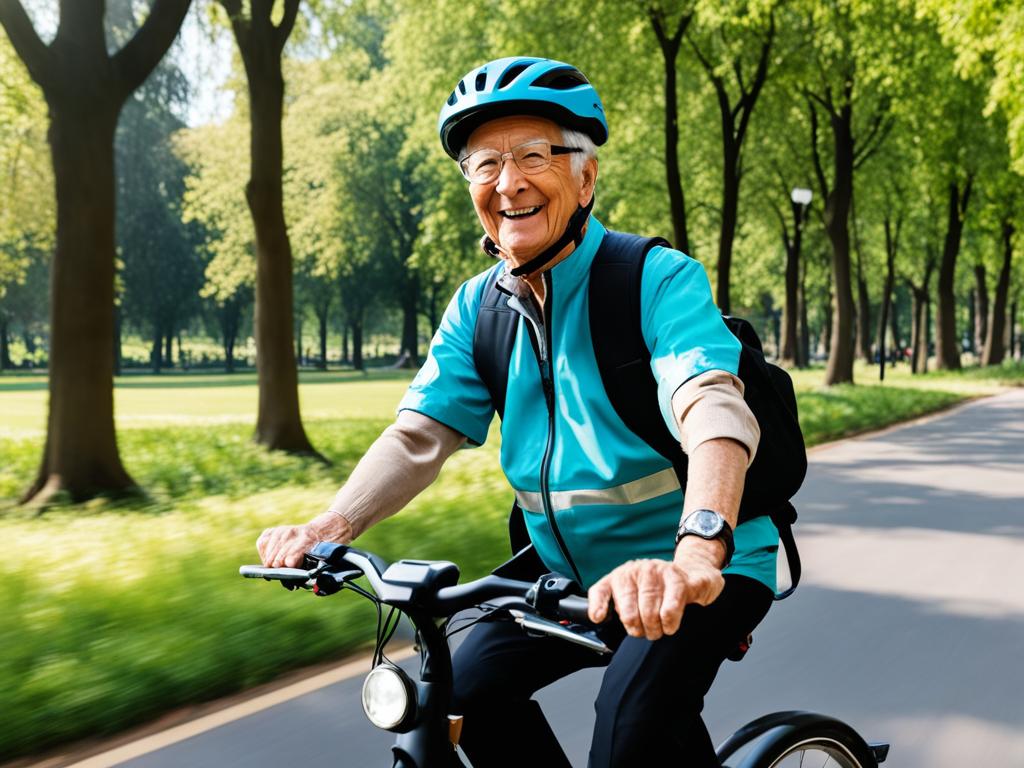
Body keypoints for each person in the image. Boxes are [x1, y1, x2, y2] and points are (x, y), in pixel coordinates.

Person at [257, 57, 779, 767]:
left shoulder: (654, 278)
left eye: (533, 156)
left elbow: (712, 407)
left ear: (584, 177)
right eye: (484, 164)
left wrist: (697, 551)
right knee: (458, 698)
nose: (508, 182)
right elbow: (418, 436)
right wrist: (330, 525)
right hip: (563, 577)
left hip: (695, 567)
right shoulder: (478, 309)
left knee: (628, 727)